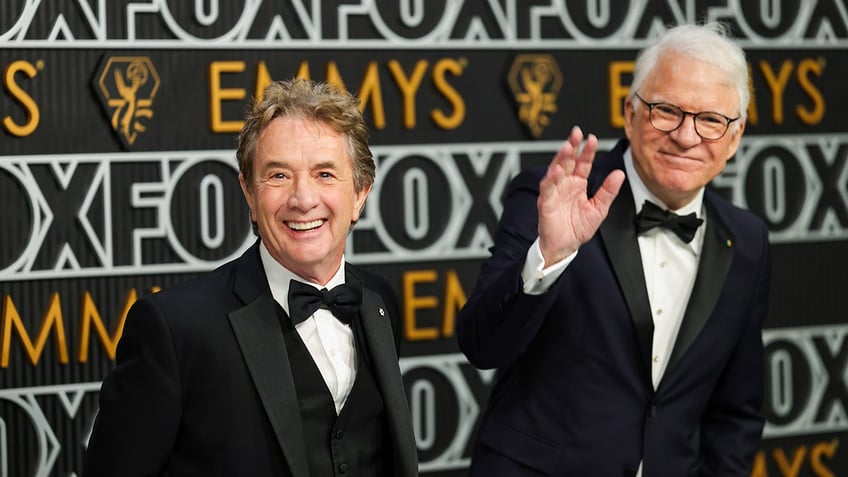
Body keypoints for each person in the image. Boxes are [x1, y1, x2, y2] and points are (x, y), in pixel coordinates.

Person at [456, 22, 770, 477]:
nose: (686, 136)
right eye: (666, 110)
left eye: (710, 120)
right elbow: (481, 345)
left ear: (735, 137)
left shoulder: (748, 240)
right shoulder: (553, 196)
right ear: (630, 112)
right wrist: (548, 257)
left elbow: (736, 411)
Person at [84, 78, 419, 477]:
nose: (303, 199)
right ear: (248, 193)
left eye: (325, 174)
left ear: (360, 193)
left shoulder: (378, 302)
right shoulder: (175, 329)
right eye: (278, 176)